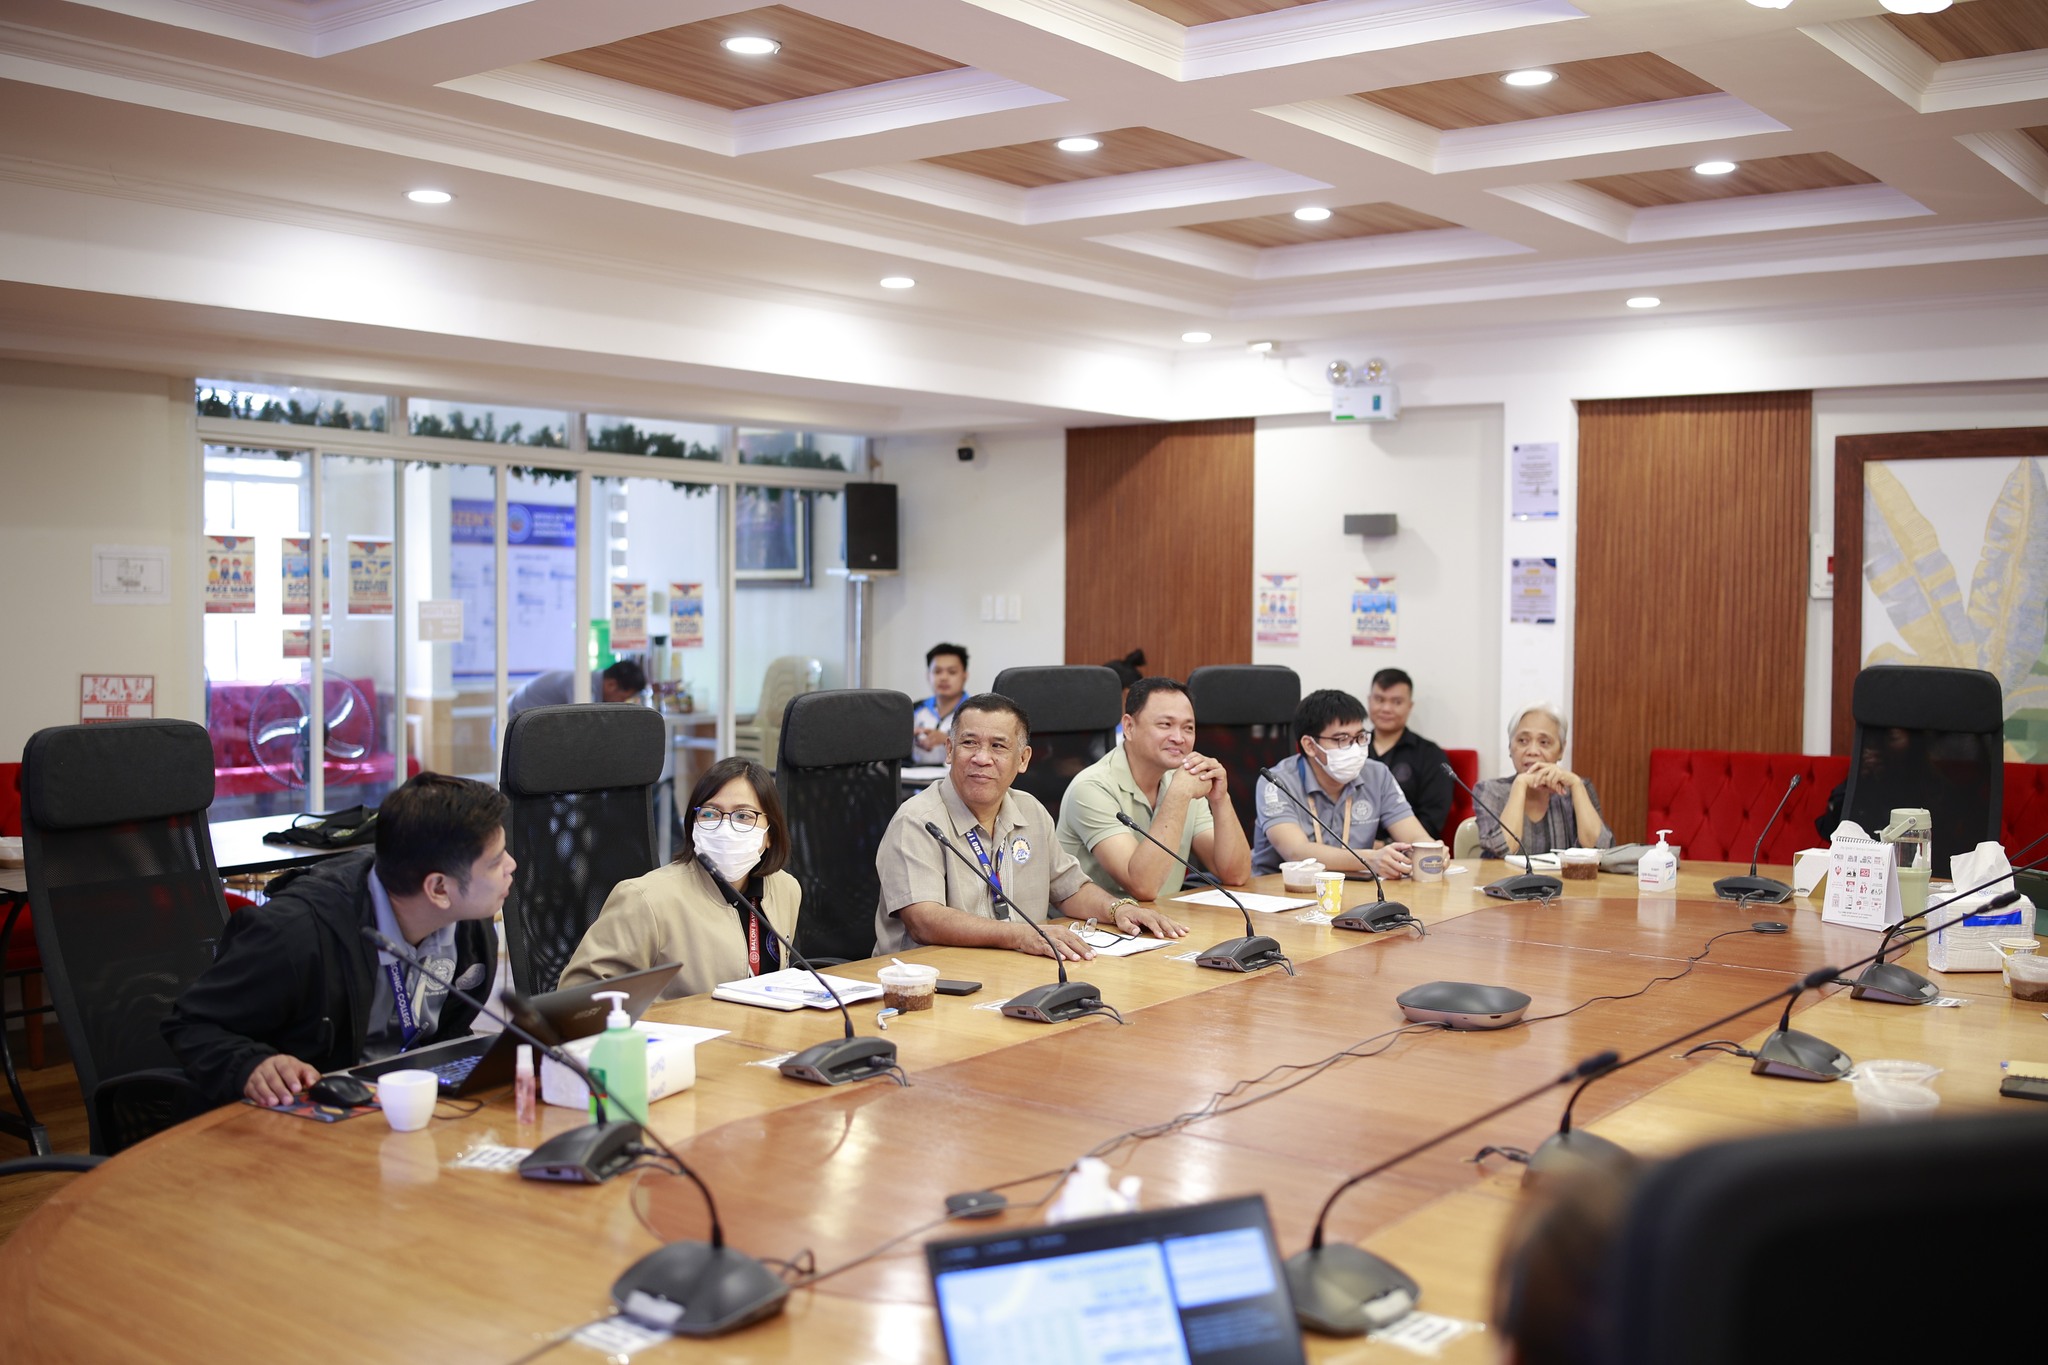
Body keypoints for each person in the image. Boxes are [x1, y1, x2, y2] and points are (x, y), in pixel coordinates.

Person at [162, 773, 512, 1108]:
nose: (512, 866)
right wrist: (250, 1064)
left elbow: (448, 1033)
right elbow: (192, 1023)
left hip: (408, 1102)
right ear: (438, 888)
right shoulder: (294, 934)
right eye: (496, 863)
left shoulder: (467, 922)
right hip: (310, 1112)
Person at [875, 693, 1187, 959]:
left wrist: (1119, 909)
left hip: (1011, 970)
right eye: (969, 743)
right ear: (949, 750)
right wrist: (1021, 935)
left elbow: (1069, 889)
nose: (982, 758)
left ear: (1023, 759)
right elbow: (924, 921)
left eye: (998, 746)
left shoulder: (1030, 811)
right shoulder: (918, 820)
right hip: (931, 981)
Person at [560, 757, 799, 999]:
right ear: (693, 825)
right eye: (710, 813)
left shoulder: (785, 889)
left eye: (743, 816)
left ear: (771, 833)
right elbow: (578, 994)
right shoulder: (646, 899)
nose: (725, 828)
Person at [1055, 676, 1253, 900]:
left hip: (1166, 915)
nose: (1179, 738)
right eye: (1165, 725)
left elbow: (1235, 874)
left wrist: (1220, 799)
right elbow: (1143, 887)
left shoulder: (1183, 780)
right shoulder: (1091, 788)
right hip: (1096, 920)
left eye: (1188, 728)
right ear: (1129, 727)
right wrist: (1178, 795)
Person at [1252, 688, 1434, 877]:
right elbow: (1296, 852)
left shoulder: (1377, 774)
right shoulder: (1276, 782)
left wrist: (1431, 851)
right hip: (1279, 888)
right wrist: (1370, 859)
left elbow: (1414, 835)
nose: (1354, 748)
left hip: (1352, 887)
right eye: (1342, 739)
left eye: (1360, 737)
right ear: (1310, 745)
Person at [1474, 705, 1611, 858]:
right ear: (1510, 747)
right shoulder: (1490, 791)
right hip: (1504, 875)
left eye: (1544, 742)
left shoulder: (1578, 789)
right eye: (1522, 741)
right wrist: (1520, 785)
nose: (1532, 751)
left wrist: (1576, 784)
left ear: (1561, 750)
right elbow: (1504, 849)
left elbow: (1600, 849)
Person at [1366, 668, 1454, 840]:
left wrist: (1385, 846)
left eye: (1396, 702)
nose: (1386, 708)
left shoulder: (1430, 755)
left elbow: (1432, 819)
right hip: (1350, 848)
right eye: (1379, 700)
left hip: (1404, 849)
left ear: (1409, 706)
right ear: (1369, 701)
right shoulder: (1350, 749)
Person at [506, 657, 646, 717]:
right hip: (511, 720)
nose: (622, 702)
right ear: (611, 685)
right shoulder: (582, 686)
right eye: (623, 698)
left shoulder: (589, 682)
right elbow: (582, 726)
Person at [911, 642, 969, 764]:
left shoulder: (976, 711)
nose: (943, 678)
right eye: (937, 672)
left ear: (965, 675)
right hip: (913, 773)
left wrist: (947, 740)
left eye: (952, 672)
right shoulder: (913, 709)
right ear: (928, 676)